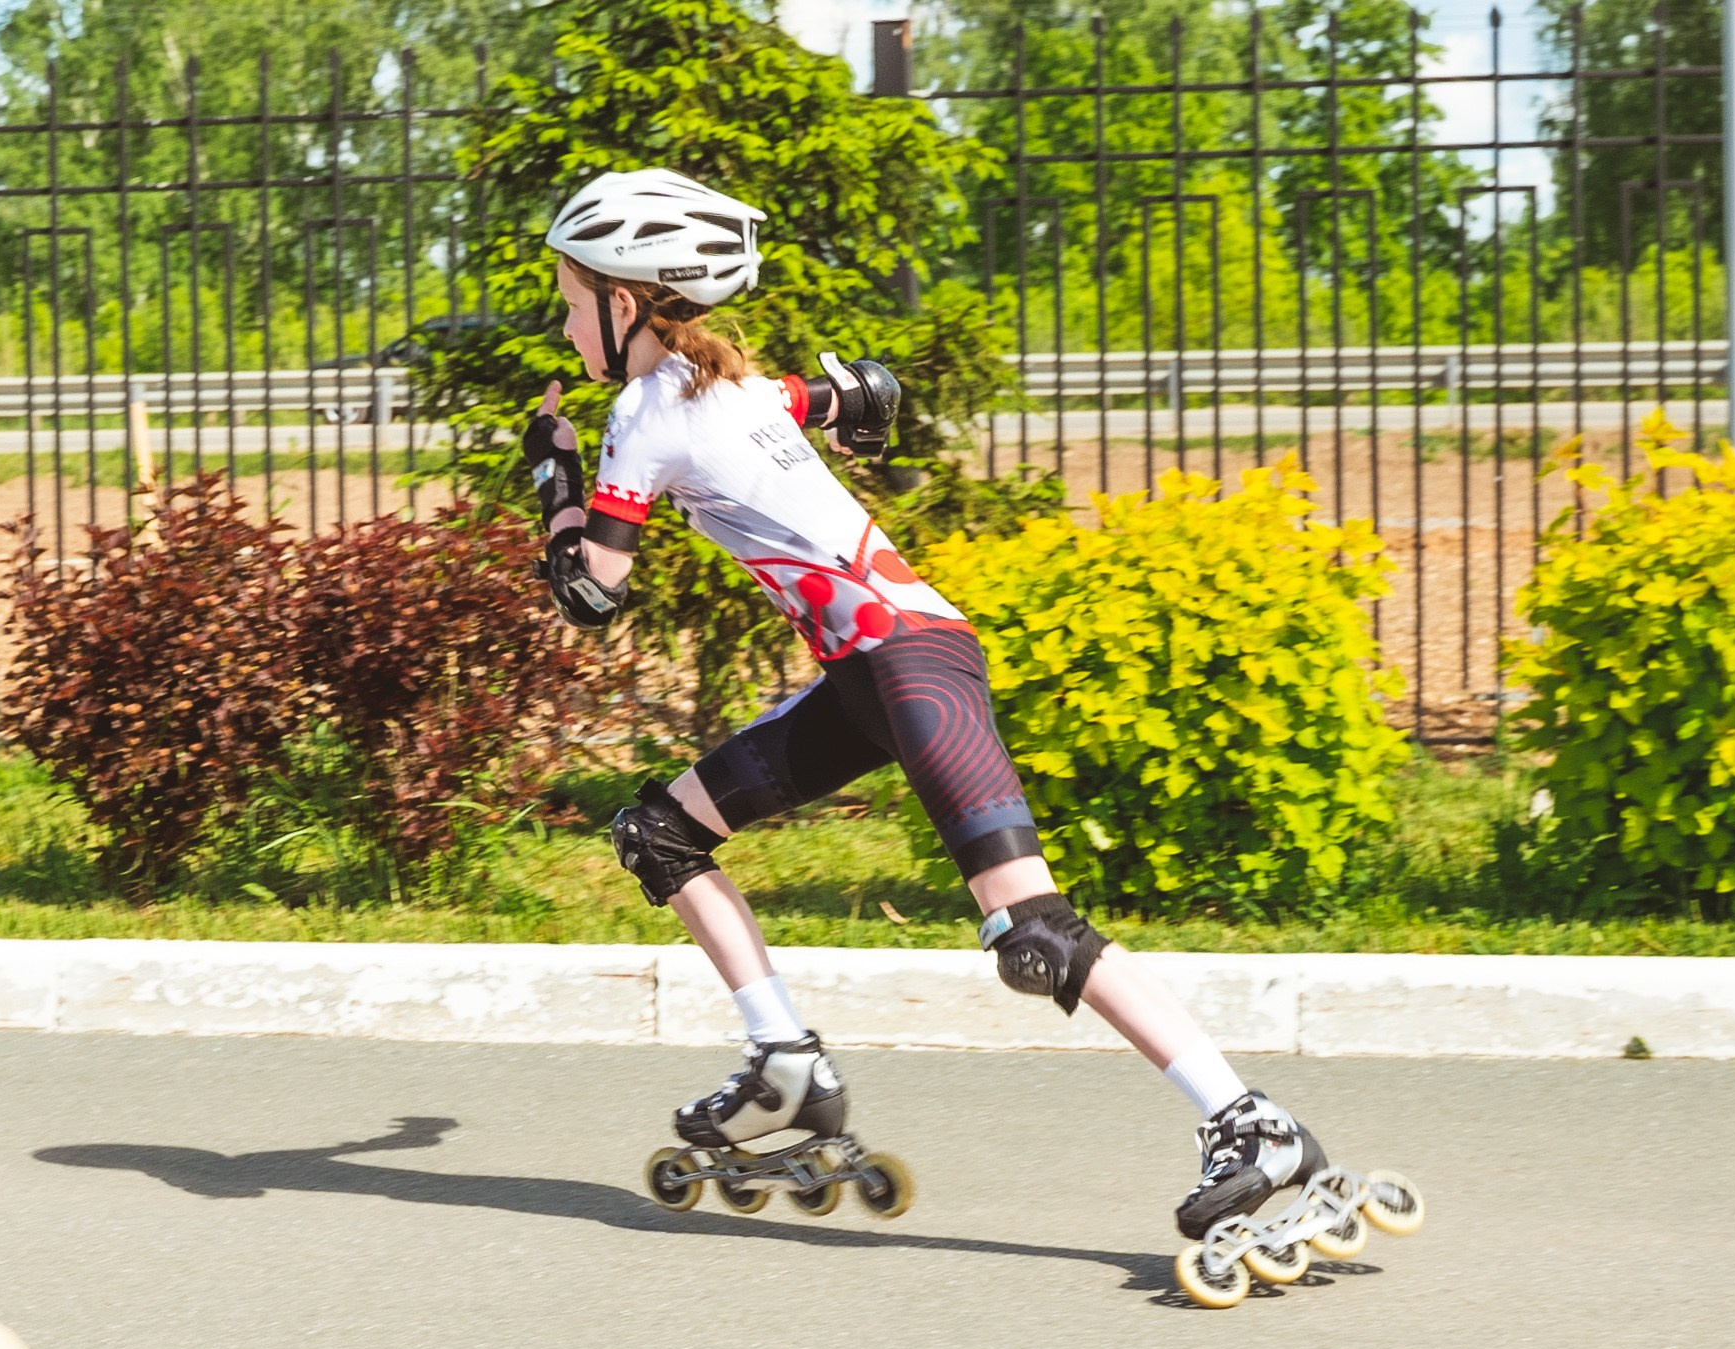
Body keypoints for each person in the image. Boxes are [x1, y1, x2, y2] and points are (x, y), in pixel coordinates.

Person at [521, 168, 1324, 1242]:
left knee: (1029, 931)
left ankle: (1253, 1124)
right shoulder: (745, 389)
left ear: (627, 304)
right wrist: (864, 414)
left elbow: (588, 591)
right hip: (870, 674)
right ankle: (786, 1065)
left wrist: (553, 477)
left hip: (911, 666)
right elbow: (862, 393)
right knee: (661, 835)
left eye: (574, 301)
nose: (566, 321)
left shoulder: (644, 417)